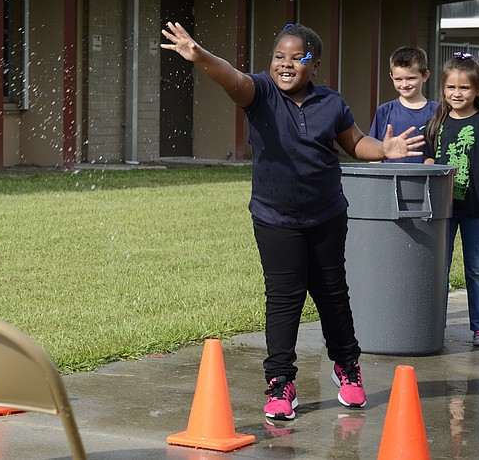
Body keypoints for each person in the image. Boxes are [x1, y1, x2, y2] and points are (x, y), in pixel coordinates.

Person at [160, 21, 424, 421]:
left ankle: (347, 368)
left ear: (314, 64)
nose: (285, 65)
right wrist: (200, 57)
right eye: (278, 57)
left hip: (326, 215)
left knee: (332, 293)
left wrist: (384, 148)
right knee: (284, 299)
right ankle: (280, 381)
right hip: (275, 218)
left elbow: (355, 143)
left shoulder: (331, 103)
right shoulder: (260, 93)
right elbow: (230, 76)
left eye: (296, 58)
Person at [423, 52, 479, 346]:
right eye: (451, 87)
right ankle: (436, 323)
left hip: (477, 211)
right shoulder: (437, 121)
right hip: (442, 210)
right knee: (438, 267)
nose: (457, 93)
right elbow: (429, 158)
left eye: (464, 88)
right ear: (443, 89)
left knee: (477, 268)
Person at [369, 45, 438, 162]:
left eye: (411, 78)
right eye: (398, 79)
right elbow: (374, 152)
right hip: (390, 179)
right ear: (391, 77)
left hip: (424, 178)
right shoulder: (384, 110)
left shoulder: (437, 111)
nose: (404, 84)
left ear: (425, 76)